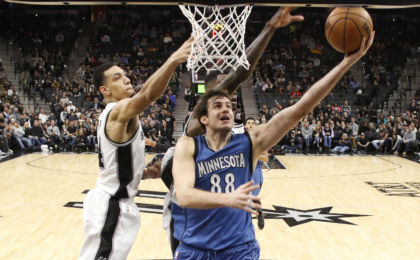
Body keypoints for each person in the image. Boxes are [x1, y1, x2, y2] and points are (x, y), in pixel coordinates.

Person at [172, 31, 375, 259]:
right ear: (204, 119)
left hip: (239, 249)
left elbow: (301, 108)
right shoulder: (188, 146)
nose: (226, 109)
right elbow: (185, 196)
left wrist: (346, 63)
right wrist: (229, 199)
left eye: (229, 105)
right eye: (218, 106)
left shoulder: (250, 141)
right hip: (196, 250)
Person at [161, 7, 305, 256]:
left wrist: (243, 201)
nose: (225, 102)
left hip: (230, 229)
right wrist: (269, 28)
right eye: (218, 100)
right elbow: (242, 72)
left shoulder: (237, 133)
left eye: (229, 103)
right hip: (190, 220)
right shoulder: (195, 127)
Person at [78, 37, 192, 260]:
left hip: (117, 202)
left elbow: (116, 165)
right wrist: (173, 60)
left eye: (125, 74)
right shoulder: (117, 111)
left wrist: (143, 174)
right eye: (117, 78)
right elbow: (148, 94)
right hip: (111, 204)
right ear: (105, 89)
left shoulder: (120, 115)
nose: (126, 79)